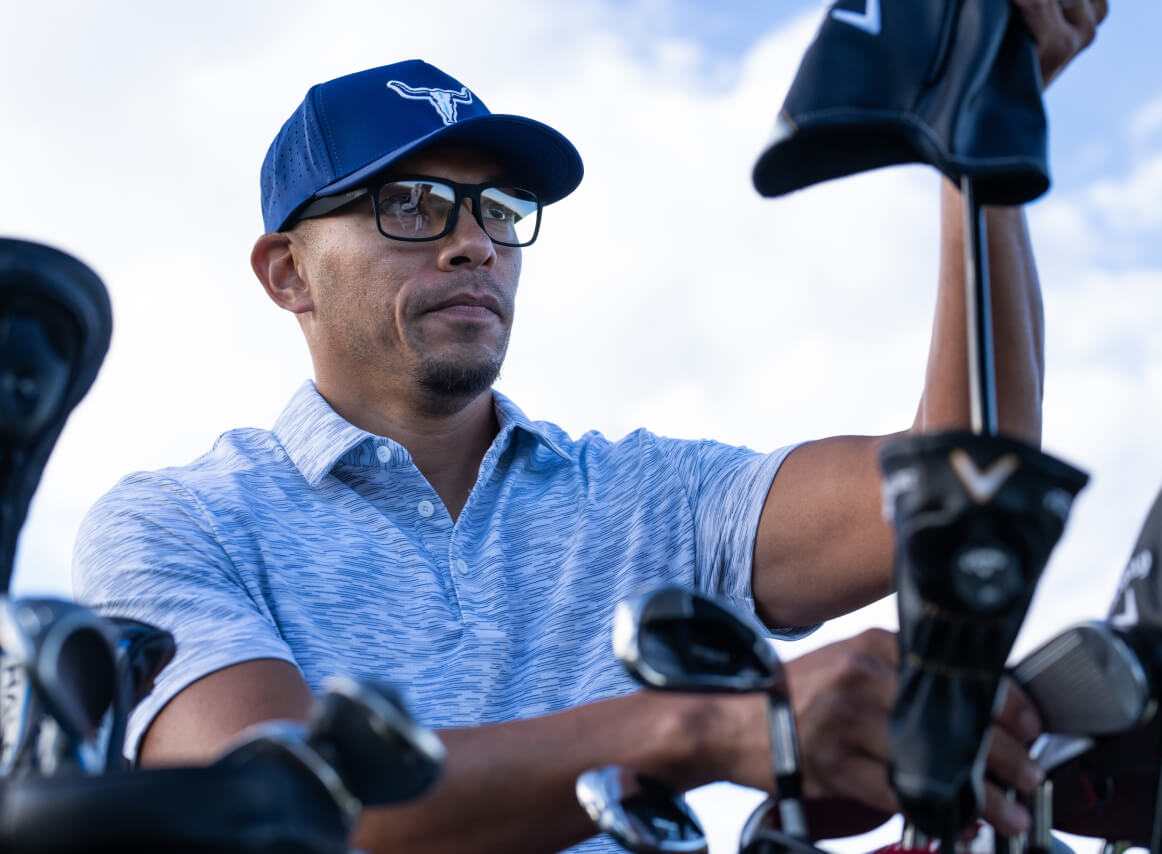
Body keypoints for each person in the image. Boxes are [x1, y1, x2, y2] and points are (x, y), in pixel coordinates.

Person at [74, 3, 1106, 852]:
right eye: (414, 204)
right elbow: (278, 811)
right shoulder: (179, 521)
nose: (474, 242)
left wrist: (986, 146)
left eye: (496, 209)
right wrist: (701, 726)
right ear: (287, 271)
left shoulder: (650, 494)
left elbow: (959, 497)